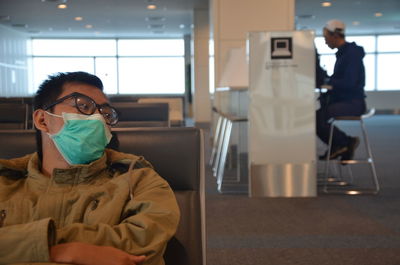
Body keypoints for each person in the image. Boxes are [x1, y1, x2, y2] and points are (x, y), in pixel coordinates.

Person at [0, 71, 180, 265]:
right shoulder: (6, 183)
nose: (98, 119)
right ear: (42, 120)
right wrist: (64, 251)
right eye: (83, 106)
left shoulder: (137, 180)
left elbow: (142, 247)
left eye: (106, 113)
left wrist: (22, 247)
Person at [316, 19, 367, 161]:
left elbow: (349, 83)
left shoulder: (351, 54)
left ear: (335, 36)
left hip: (353, 103)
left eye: (326, 38)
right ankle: (341, 146)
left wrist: (329, 82)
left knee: (319, 118)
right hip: (347, 100)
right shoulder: (344, 54)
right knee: (317, 117)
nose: (325, 42)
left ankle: (345, 143)